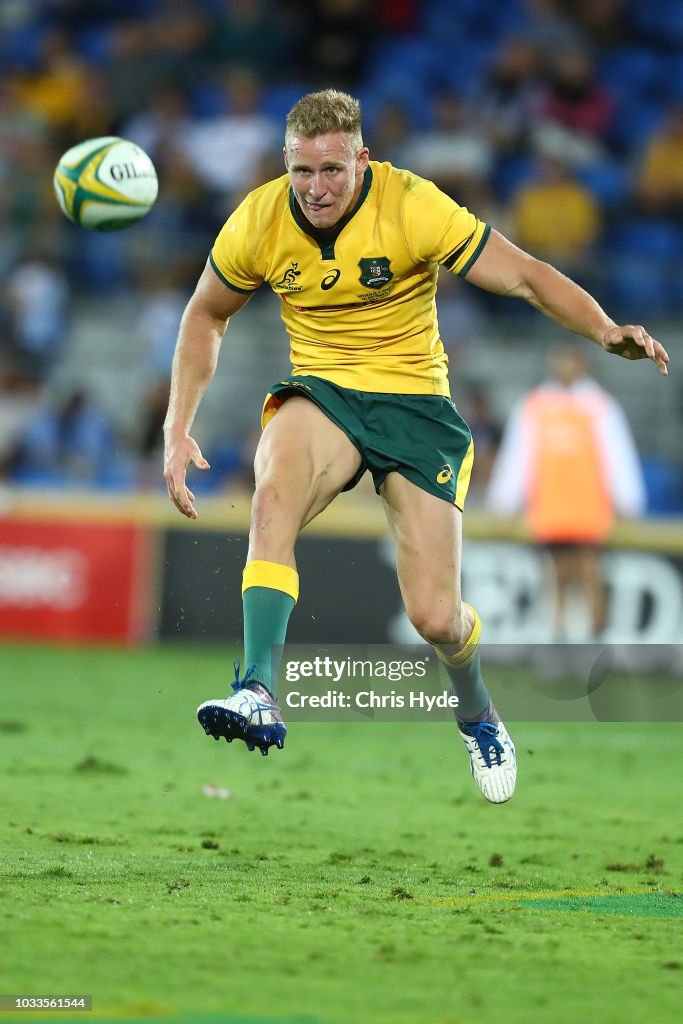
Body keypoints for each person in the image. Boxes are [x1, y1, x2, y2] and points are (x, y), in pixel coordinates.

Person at [163, 89, 669, 805]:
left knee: (437, 616)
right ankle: (256, 690)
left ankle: (476, 711)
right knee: (271, 491)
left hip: (415, 407)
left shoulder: (412, 204)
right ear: (286, 163)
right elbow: (205, 314)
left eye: (331, 170)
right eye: (301, 171)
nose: (315, 188)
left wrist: (603, 329)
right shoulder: (258, 218)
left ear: (360, 158)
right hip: (324, 393)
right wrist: (177, 426)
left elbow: (525, 275)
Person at [486, 343, 646, 641]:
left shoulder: (600, 407)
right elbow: (518, 456)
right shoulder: (535, 405)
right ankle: (559, 641)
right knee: (557, 577)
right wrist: (504, 502)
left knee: (589, 574)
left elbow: (618, 457)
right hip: (552, 510)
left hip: (588, 511)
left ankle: (595, 639)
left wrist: (628, 501)